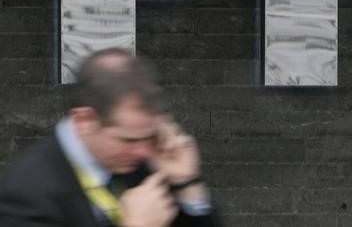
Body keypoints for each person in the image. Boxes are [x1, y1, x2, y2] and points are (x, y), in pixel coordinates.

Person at [0, 48, 219, 226]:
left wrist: (186, 183)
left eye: (148, 136)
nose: (143, 151)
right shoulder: (25, 194)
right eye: (128, 140)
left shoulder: (147, 167)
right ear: (84, 120)